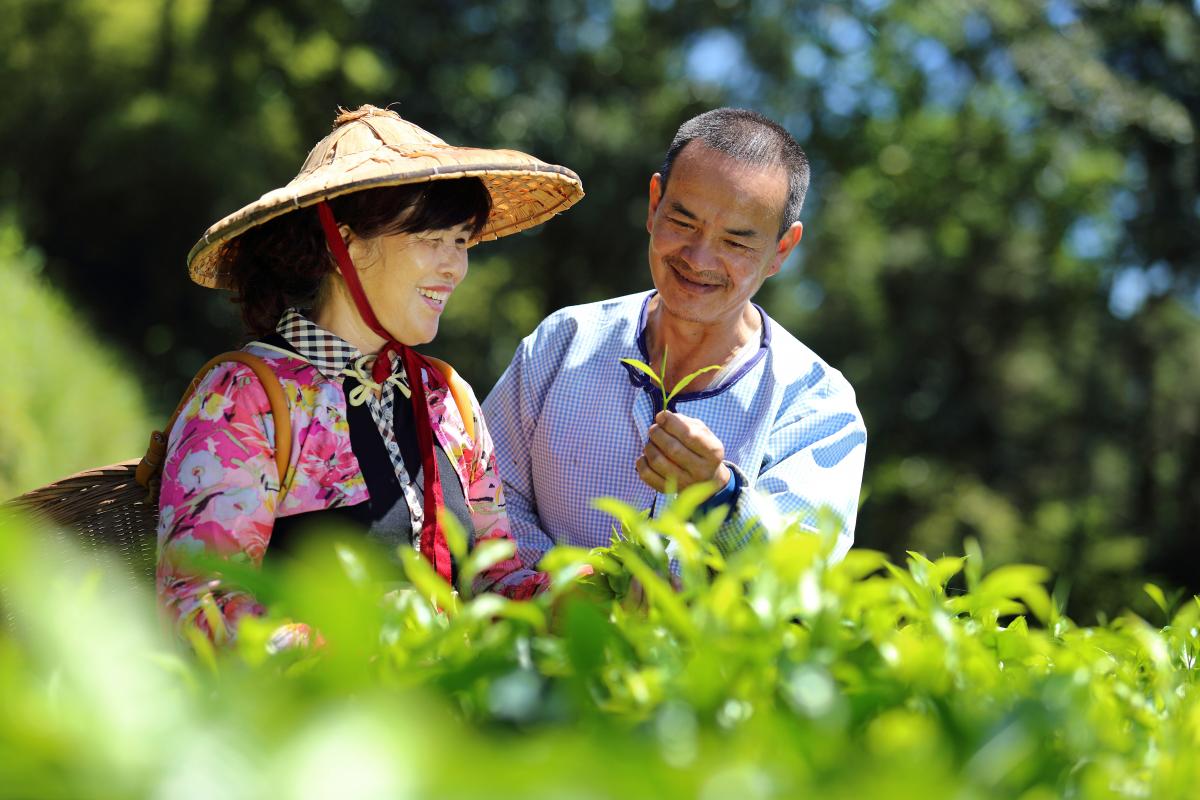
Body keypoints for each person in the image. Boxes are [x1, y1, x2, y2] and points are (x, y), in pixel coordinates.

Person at [156, 105, 583, 644]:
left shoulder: (447, 398)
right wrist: (359, 640)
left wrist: (567, 596)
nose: (455, 267)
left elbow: (492, 580)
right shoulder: (246, 399)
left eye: (460, 241)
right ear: (346, 245)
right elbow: (198, 612)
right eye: (432, 240)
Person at [482, 108, 866, 585]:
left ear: (781, 251)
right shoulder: (561, 344)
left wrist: (719, 497)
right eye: (683, 223)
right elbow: (486, 502)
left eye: (736, 242)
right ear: (654, 204)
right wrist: (564, 592)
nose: (699, 259)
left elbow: (797, 579)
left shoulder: (815, 405)